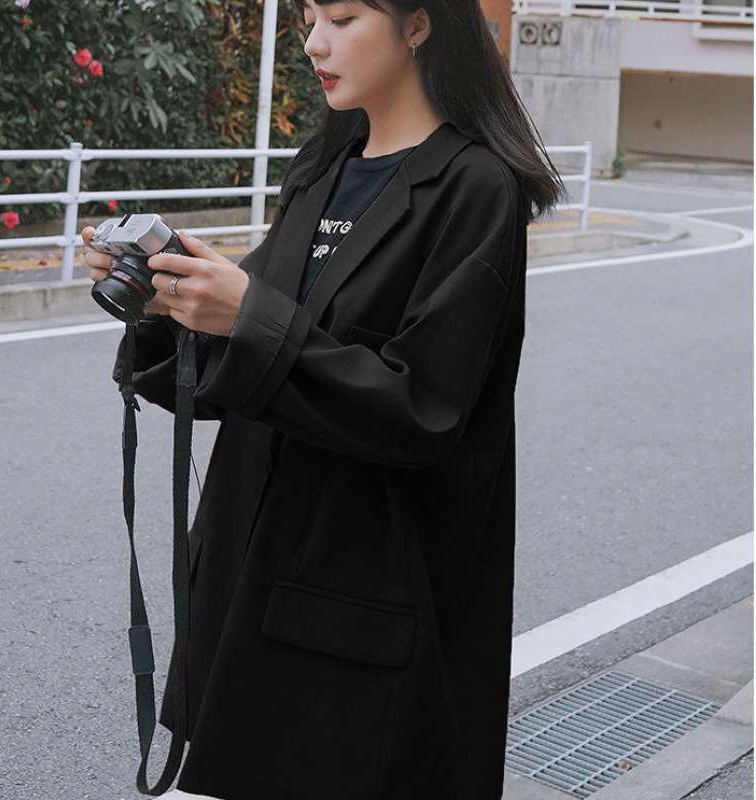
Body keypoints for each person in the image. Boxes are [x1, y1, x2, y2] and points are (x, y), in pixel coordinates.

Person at [84, 1, 565, 797]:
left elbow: (425, 407)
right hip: (252, 567)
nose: (313, 43)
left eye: (342, 17)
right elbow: (250, 354)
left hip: (366, 586)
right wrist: (167, 297)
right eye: (309, 16)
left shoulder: (476, 188)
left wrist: (247, 313)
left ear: (419, 25)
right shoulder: (322, 169)